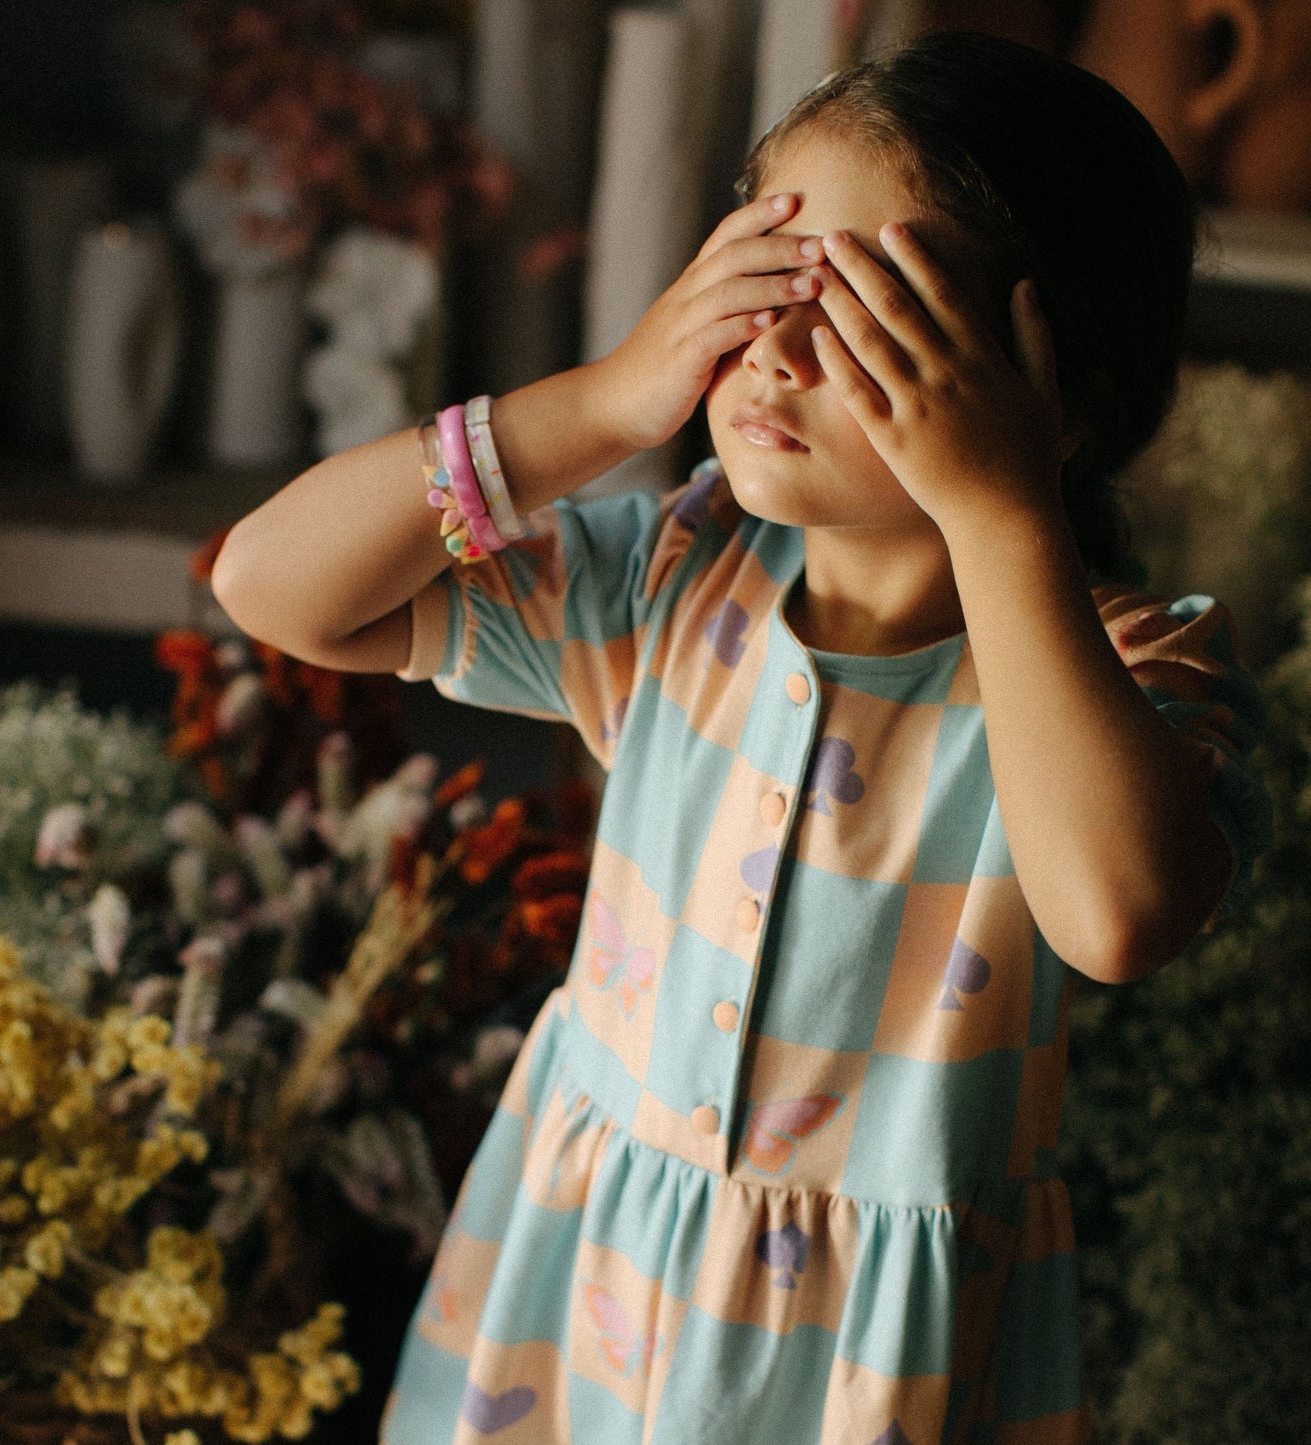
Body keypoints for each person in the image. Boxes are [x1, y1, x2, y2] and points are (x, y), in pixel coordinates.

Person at [211, 30, 1272, 1445]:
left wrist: (999, 509)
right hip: (574, 1308)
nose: (768, 349)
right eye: (757, 282)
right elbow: (270, 584)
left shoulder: (1135, 670)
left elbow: (1117, 912)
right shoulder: (670, 579)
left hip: (863, 1373)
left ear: (1048, 377)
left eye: (860, 318)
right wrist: (603, 398)